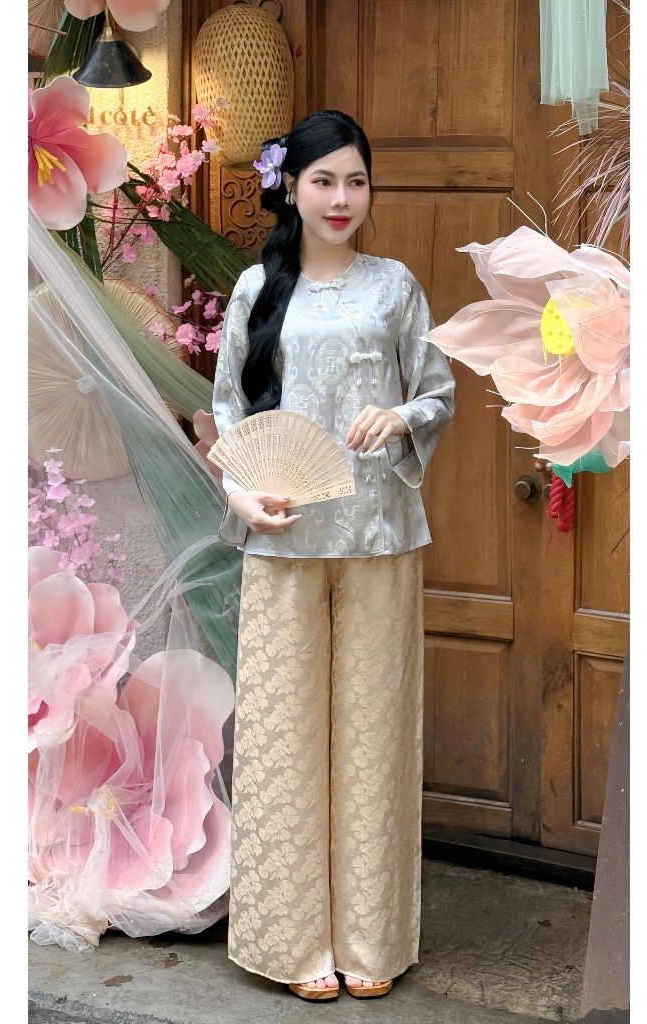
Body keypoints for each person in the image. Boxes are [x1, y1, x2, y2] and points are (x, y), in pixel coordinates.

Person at [211, 109, 456, 1002]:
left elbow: (438, 390)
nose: (342, 198)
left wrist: (401, 415)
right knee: (284, 741)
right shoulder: (255, 289)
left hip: (380, 536)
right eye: (324, 180)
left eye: (356, 180)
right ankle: (292, 942)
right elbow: (228, 413)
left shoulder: (395, 287)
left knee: (373, 738)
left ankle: (369, 937)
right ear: (292, 187)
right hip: (282, 540)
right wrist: (241, 495)